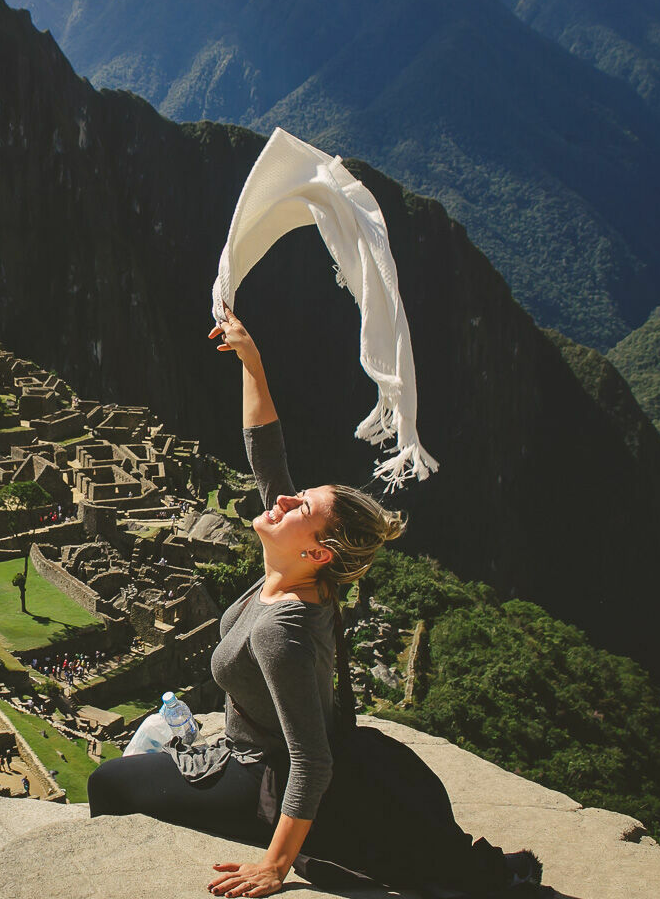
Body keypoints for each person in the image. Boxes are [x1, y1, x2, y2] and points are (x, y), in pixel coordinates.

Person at [86, 308, 539, 898]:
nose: (286, 499)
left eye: (302, 506)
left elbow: (312, 761)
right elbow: (266, 452)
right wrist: (252, 361)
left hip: (260, 775)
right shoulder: (301, 570)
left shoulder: (287, 628)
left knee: (109, 784)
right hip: (243, 744)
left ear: (319, 551)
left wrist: (274, 866)